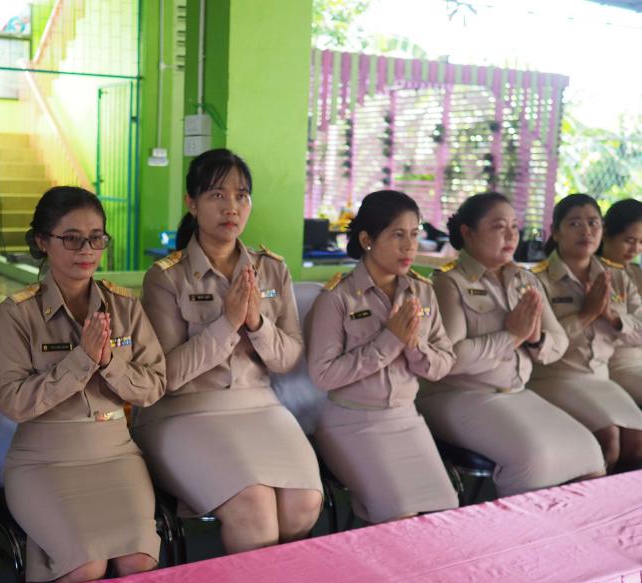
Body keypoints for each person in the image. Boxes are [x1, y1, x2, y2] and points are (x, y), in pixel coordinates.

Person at [133, 149, 323, 555]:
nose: (231, 207)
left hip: (260, 406)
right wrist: (227, 323)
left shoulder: (272, 269)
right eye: (217, 195)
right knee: (254, 509)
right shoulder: (166, 277)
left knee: (304, 505)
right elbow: (166, 376)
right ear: (192, 202)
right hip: (185, 411)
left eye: (241, 196)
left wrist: (256, 324)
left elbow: (289, 358)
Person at [0, 186, 165, 583]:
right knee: (86, 567)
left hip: (115, 454)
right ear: (42, 242)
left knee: (138, 560)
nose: (86, 250)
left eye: (96, 238)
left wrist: (109, 362)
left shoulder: (125, 307)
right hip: (43, 460)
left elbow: (154, 386)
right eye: (71, 238)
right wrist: (82, 360)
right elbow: (12, 402)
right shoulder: (17, 314)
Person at [416, 192, 605, 494]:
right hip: (459, 394)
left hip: (516, 393)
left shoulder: (525, 281)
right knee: (535, 461)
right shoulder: (449, 282)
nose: (510, 236)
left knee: (590, 452)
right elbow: (450, 358)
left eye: (514, 227)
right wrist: (511, 336)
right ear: (468, 232)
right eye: (498, 227)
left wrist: (535, 338)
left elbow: (557, 343)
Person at [307, 190, 458, 523]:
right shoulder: (338, 297)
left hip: (406, 418)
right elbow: (323, 375)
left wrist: (413, 345)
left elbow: (444, 363)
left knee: (445, 516)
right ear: (367, 239)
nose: (409, 247)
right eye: (397, 235)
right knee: (401, 517)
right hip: (351, 422)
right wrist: (389, 341)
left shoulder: (422, 291)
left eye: (414, 235)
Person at [528, 194, 642, 471]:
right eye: (575, 223)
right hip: (554, 377)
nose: (586, 231)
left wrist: (612, 318)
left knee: (638, 443)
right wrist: (586, 315)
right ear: (556, 232)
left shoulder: (617, 277)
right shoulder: (535, 279)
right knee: (609, 440)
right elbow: (540, 345)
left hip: (600, 377)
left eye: (593, 223)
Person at [599, 198, 642, 403]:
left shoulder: (635, 274)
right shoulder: (594, 274)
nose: (635, 249)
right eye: (629, 240)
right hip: (618, 363)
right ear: (606, 233)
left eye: (641, 242)